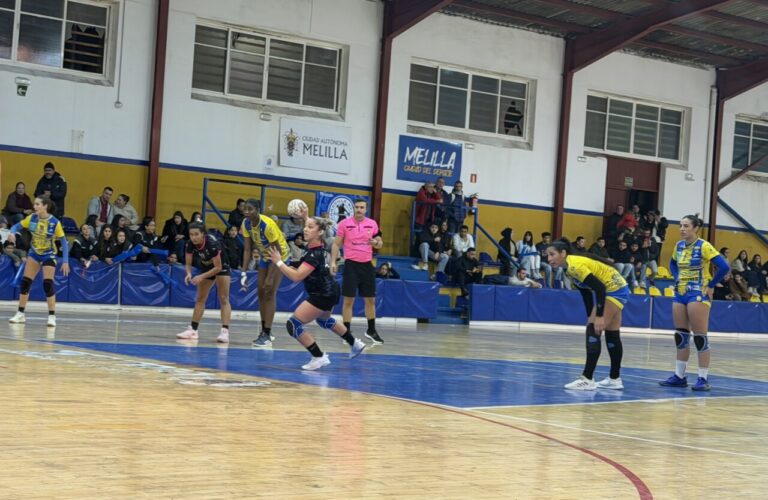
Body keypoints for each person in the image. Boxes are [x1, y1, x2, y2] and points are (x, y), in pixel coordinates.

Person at [268, 217, 367, 370]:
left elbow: (296, 277)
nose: (305, 229)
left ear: (320, 232)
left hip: (322, 294)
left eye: (310, 227)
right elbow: (301, 272)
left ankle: (318, 356)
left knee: (293, 325)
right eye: (305, 226)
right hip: (330, 291)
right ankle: (354, 343)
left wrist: (279, 262)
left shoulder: (314, 254)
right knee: (323, 321)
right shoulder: (314, 250)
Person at [546, 237, 630, 391]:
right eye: (548, 256)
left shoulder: (574, 266)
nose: (549, 259)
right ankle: (614, 378)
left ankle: (587, 378)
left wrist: (597, 316)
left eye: (552, 254)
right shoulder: (569, 267)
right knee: (612, 334)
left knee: (593, 330)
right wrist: (590, 315)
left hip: (613, 290)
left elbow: (599, 289)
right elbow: (585, 292)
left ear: (563, 253)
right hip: (619, 288)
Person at [659, 214, 730, 392]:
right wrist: (676, 278)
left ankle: (702, 378)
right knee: (681, 335)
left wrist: (712, 285)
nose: (682, 229)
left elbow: (724, 267)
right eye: (680, 225)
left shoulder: (704, 246)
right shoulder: (679, 246)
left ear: (695, 228)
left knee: (700, 337)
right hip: (680, 292)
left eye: (686, 226)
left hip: (698, 292)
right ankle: (679, 376)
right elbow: (672, 263)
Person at [7, 196, 70, 327]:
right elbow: (16, 227)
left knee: (47, 284)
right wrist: (12, 233)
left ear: (45, 206)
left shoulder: (54, 222)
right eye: (34, 204)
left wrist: (65, 261)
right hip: (34, 253)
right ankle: (20, 314)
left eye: (37, 204)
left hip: (49, 254)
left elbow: (64, 241)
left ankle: (52, 316)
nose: (34, 207)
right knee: (25, 283)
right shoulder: (32, 218)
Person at [330, 198, 384, 344]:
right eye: (357, 207)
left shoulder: (372, 224)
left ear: (365, 209)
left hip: (367, 265)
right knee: (348, 300)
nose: (359, 209)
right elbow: (336, 245)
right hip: (351, 265)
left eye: (362, 207)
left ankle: (371, 330)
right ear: (353, 208)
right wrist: (333, 262)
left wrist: (376, 243)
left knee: (370, 300)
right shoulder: (344, 224)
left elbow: (379, 242)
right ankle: (346, 333)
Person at [241, 198, 290, 348]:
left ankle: (267, 334)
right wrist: (243, 272)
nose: (247, 212)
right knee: (260, 292)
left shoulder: (267, 225)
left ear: (257, 210)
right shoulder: (245, 224)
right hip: (265, 256)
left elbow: (278, 251)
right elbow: (248, 249)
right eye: (245, 209)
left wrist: (270, 276)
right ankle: (264, 331)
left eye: (250, 209)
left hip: (279, 256)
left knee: (269, 290)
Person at [176, 223, 232, 343]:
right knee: (200, 298)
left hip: (221, 266)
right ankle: (193, 330)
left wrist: (201, 276)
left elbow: (218, 267)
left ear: (203, 234)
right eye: (191, 234)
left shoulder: (212, 244)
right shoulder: (190, 244)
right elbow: (188, 263)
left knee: (223, 298)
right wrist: (189, 273)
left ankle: (225, 331)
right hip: (206, 266)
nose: (193, 237)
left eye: (196, 234)